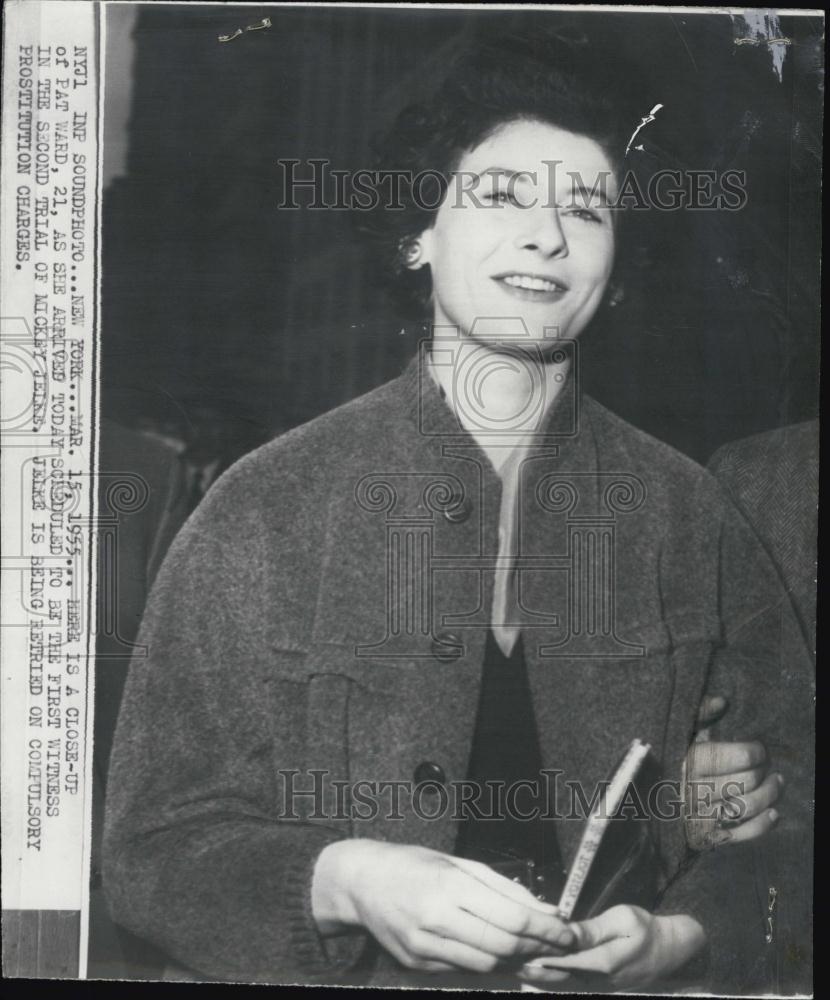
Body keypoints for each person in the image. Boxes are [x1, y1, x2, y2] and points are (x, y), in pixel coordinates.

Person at [102, 35, 809, 991]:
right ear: (415, 233)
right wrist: (346, 881)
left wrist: (687, 932)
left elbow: (795, 815)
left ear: (618, 264)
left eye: (587, 209)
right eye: (504, 197)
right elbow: (151, 850)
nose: (548, 238)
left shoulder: (696, 516)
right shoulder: (263, 511)